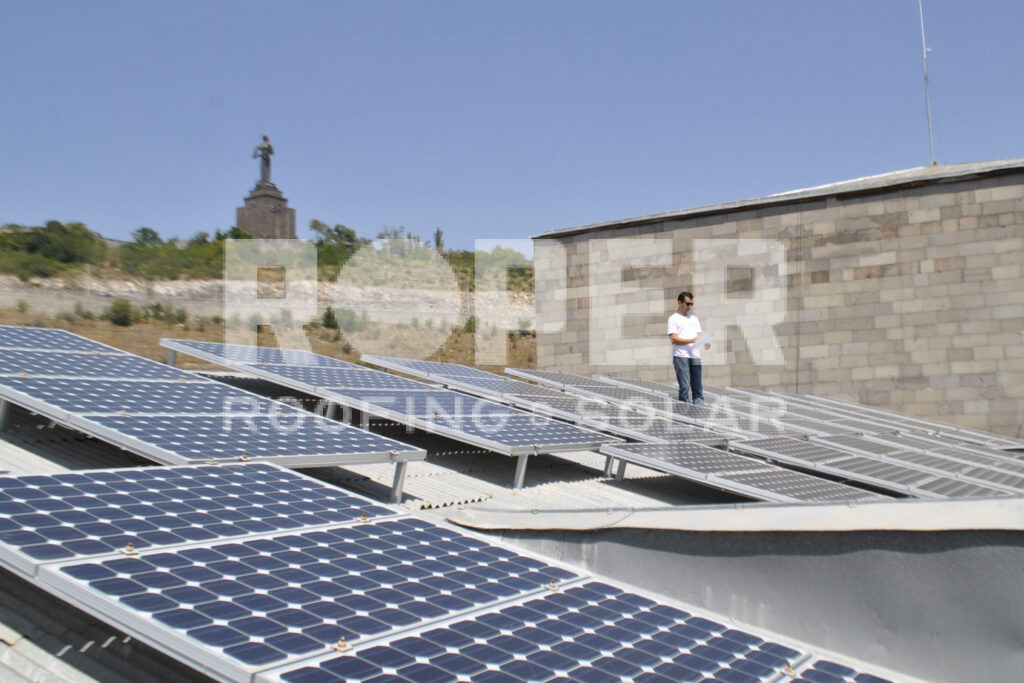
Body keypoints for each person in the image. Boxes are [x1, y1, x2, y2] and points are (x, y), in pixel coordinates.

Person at [667, 291, 709, 405]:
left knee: (697, 388)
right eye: (687, 304)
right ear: (679, 303)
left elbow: (698, 335)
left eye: (691, 304)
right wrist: (690, 340)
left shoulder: (694, 319)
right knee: (685, 387)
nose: (689, 306)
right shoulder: (673, 319)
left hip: (695, 356)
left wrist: (704, 342)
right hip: (681, 356)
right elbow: (674, 339)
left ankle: (699, 414)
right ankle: (684, 413)